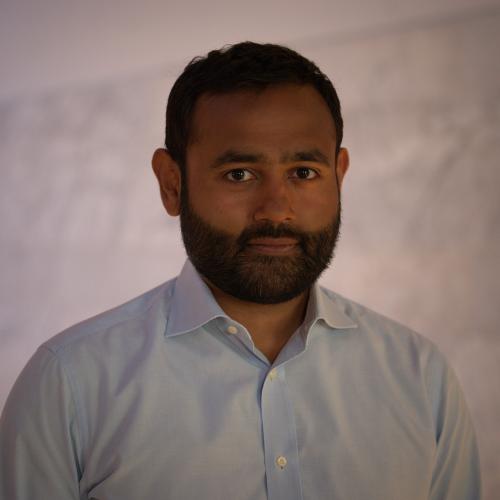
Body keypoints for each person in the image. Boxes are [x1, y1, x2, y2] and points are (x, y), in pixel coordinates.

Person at [0, 42, 481, 500]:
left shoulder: (420, 378)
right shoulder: (69, 384)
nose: (276, 209)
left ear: (339, 175)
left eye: (304, 172)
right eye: (239, 175)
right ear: (172, 184)